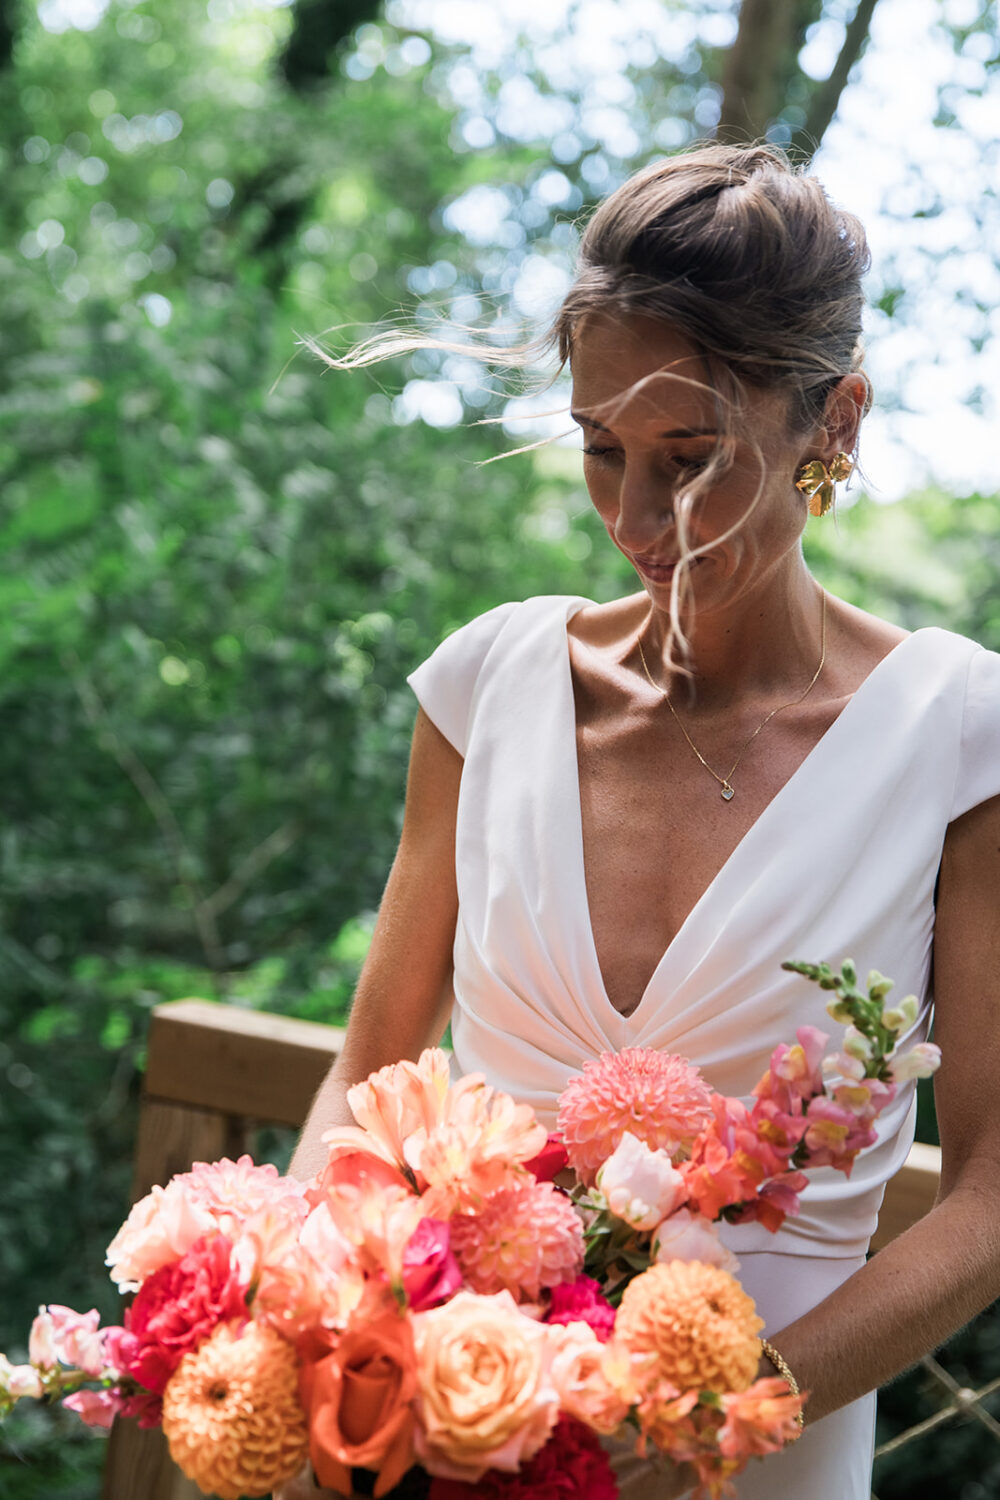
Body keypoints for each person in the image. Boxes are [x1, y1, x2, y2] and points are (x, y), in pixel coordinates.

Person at [282, 144, 1000, 1498]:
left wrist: (723, 1411)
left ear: (832, 422)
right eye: (602, 451)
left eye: (691, 457)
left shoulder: (962, 736)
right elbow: (366, 1074)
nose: (635, 518)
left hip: (757, 1460)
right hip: (464, 1437)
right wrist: (327, 1326)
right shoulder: (486, 688)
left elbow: (991, 1201)